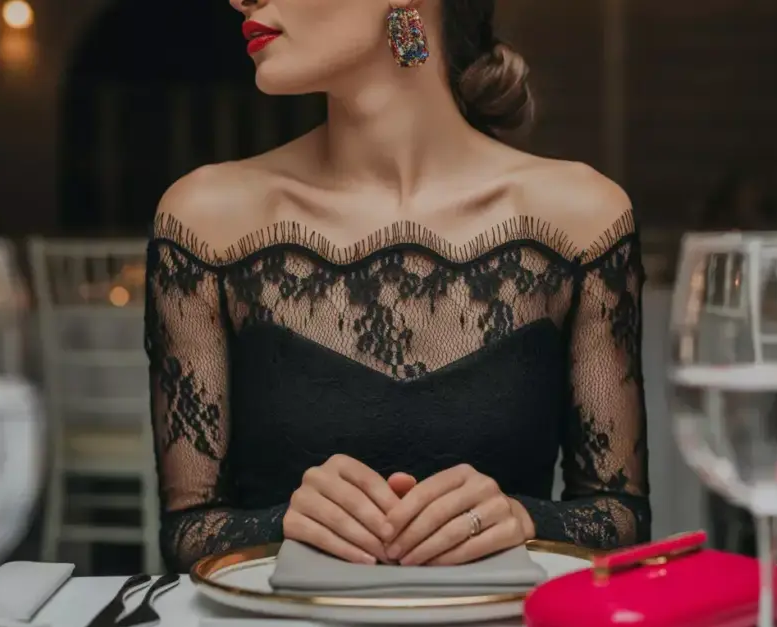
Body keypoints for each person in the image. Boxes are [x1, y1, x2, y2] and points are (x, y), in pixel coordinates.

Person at [144, 0, 649, 573]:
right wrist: (277, 525)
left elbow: (621, 517)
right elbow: (187, 529)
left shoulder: (581, 217)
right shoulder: (207, 219)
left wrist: (526, 521)